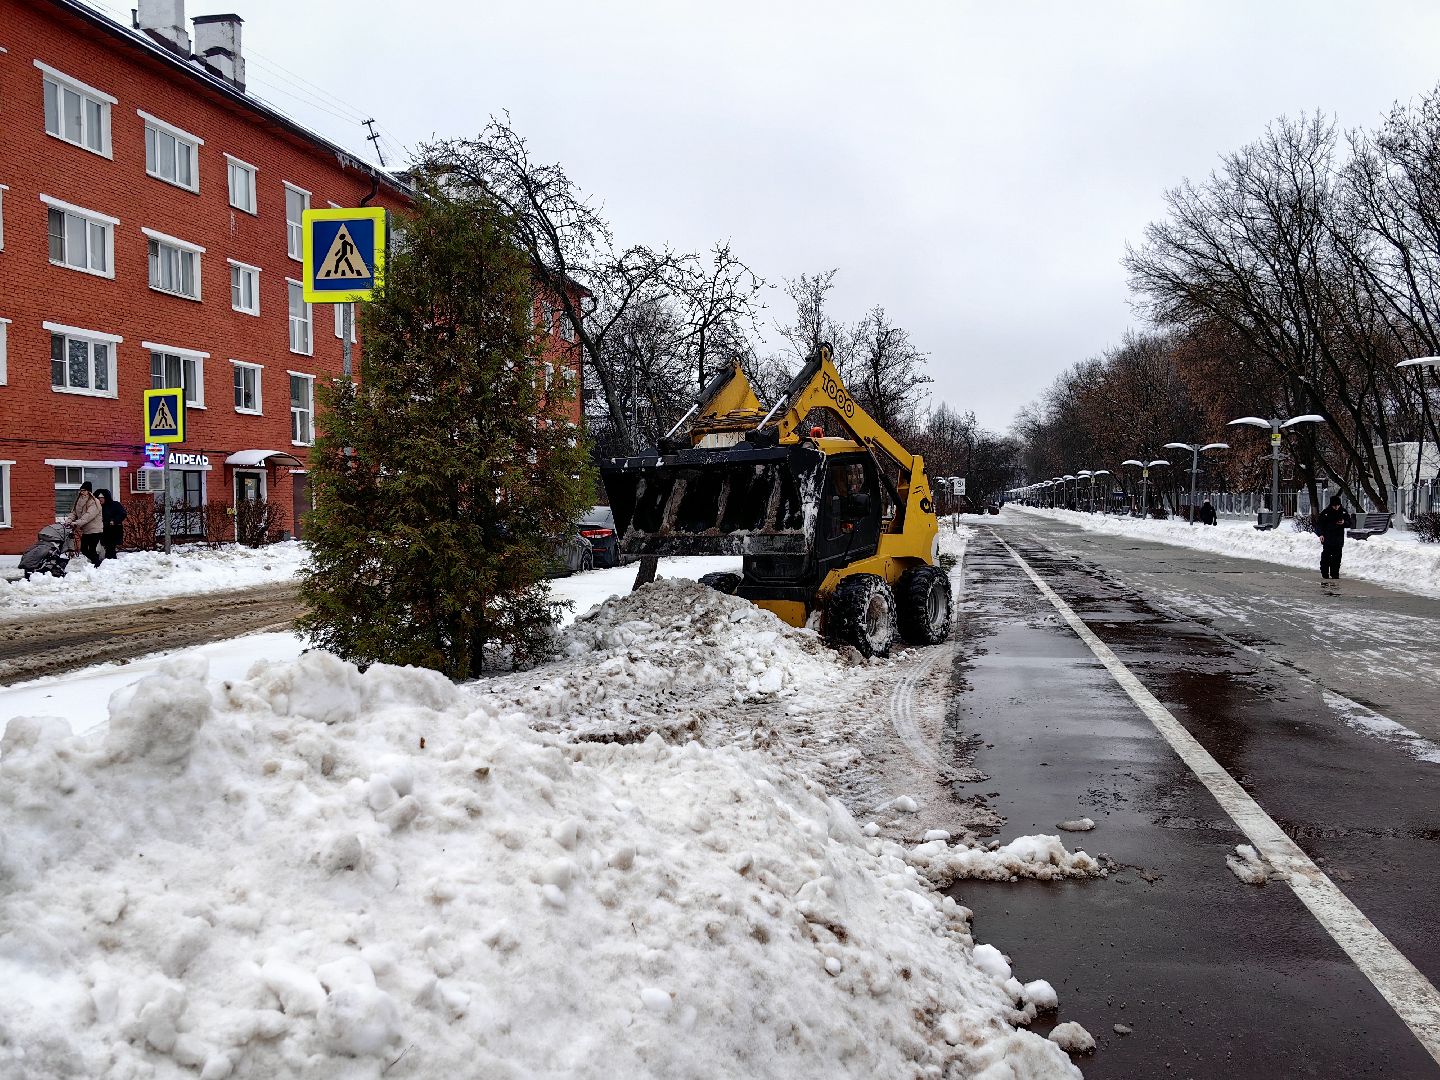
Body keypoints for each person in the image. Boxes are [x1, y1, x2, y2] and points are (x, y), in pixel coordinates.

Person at [1314, 495, 1355, 580]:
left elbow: (1350, 523)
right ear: (1331, 505)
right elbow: (1319, 525)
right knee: (1326, 557)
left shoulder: (1343, 512)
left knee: (1337, 557)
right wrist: (1321, 534)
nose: (1336, 507)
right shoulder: (1326, 513)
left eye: (1338, 505)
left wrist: (1344, 522)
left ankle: (1335, 573)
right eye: (1334, 506)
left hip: (1338, 538)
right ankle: (1325, 573)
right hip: (1327, 538)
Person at [67, 481, 104, 567]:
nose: (82, 492)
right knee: (83, 549)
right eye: (81, 490)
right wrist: (69, 520)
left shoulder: (94, 502)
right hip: (86, 530)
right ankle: (96, 563)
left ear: (89, 491)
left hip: (95, 530)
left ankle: (98, 565)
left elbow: (88, 516)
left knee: (91, 549)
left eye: (84, 490)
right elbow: (74, 512)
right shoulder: (79, 500)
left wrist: (77, 523)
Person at [98, 488, 126, 559]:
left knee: (110, 548)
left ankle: (111, 563)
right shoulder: (98, 507)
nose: (100, 500)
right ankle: (108, 562)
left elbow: (122, 514)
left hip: (113, 530)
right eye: (99, 498)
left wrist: (114, 521)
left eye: (102, 498)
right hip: (103, 530)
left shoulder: (115, 505)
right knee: (105, 547)